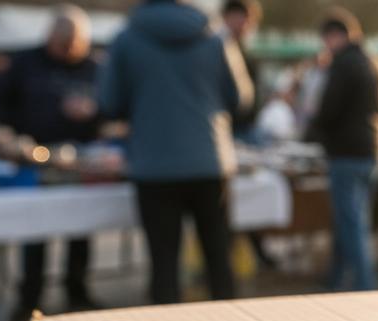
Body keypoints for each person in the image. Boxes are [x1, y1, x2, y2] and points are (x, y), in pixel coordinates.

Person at [99, 0, 253, 304]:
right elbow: (240, 99)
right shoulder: (215, 37)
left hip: (153, 165)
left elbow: (110, 102)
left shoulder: (127, 38)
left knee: (164, 264)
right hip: (208, 160)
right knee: (218, 258)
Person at [0, 6, 101, 319]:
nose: (69, 50)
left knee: (80, 227)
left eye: (75, 44)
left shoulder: (94, 66)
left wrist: (92, 113)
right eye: (63, 43)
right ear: (50, 37)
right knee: (35, 228)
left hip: (79, 158)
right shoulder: (24, 62)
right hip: (33, 157)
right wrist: (16, 133)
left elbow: (108, 105)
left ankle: (77, 291)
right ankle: (30, 297)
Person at [305, 8, 378, 292]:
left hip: (347, 153)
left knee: (352, 226)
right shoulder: (370, 62)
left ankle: (365, 286)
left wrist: (311, 132)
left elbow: (329, 110)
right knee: (348, 222)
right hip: (369, 150)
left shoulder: (343, 64)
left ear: (334, 36)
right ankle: (335, 281)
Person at [221, 0, 262, 138]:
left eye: (248, 19)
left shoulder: (249, 55)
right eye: (237, 17)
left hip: (245, 128)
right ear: (226, 17)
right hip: (223, 128)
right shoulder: (215, 51)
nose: (243, 24)